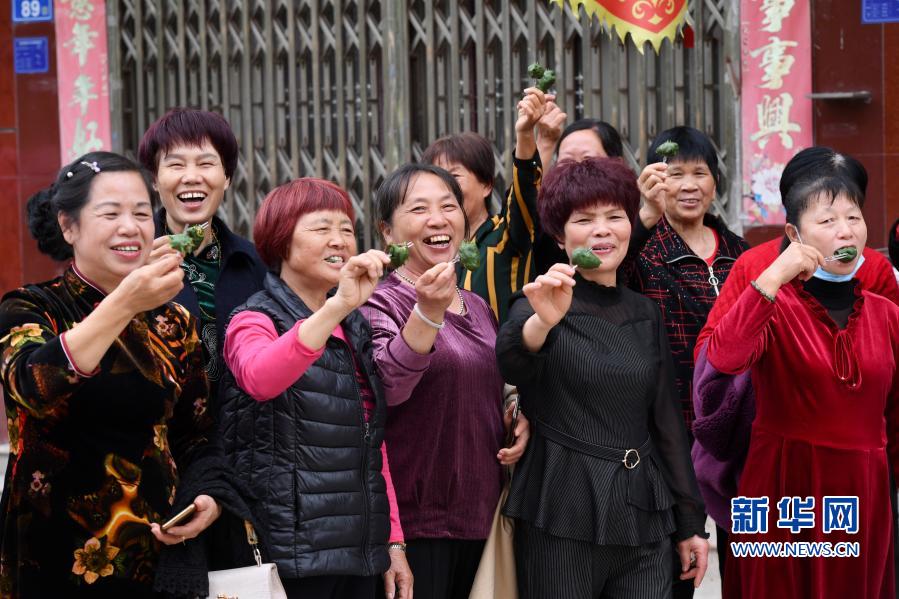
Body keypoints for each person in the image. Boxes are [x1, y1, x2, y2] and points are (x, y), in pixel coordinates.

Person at [0, 152, 258, 598]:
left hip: (157, 562)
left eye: (141, 213)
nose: (130, 227)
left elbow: (196, 436)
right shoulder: (30, 307)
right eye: (110, 213)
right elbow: (33, 386)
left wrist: (209, 498)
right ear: (68, 226)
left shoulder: (174, 322)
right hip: (52, 560)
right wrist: (125, 302)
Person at [496, 157, 709, 598]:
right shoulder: (537, 302)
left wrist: (690, 521)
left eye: (614, 216)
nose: (602, 230)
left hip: (643, 507)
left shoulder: (644, 311)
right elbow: (513, 359)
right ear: (559, 236)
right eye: (584, 220)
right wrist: (544, 321)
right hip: (561, 504)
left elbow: (666, 422)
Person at [691, 149, 899, 572]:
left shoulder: (886, 311)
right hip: (784, 485)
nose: (845, 231)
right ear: (794, 230)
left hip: (863, 488)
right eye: (827, 220)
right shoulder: (767, 288)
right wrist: (771, 279)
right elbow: (719, 359)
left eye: (854, 216)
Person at [219, 178, 412, 599]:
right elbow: (259, 378)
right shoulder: (253, 318)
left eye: (346, 229)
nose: (339, 240)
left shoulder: (354, 325)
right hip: (290, 557)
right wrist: (337, 306)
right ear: (281, 240)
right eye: (322, 228)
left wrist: (393, 541)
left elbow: (371, 441)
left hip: (360, 554)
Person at [360, 164, 529, 599]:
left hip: (481, 515)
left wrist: (516, 413)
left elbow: (492, 386)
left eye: (448, 206)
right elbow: (388, 387)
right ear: (388, 232)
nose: (438, 220)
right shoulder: (379, 303)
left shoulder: (477, 305)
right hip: (416, 523)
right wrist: (426, 314)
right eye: (419, 209)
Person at [138, 108, 267, 412]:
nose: (191, 177)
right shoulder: (129, 263)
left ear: (227, 178)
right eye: (176, 164)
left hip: (241, 434)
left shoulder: (255, 264)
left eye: (206, 163)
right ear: (155, 179)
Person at [630, 126, 749, 441]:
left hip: (735, 412)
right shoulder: (641, 250)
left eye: (699, 173)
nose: (689, 186)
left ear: (716, 182)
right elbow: (609, 281)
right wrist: (644, 218)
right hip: (667, 418)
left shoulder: (740, 252)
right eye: (675, 174)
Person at [420, 88, 563, 323]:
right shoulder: (428, 248)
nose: (445, 189)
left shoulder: (505, 235)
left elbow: (524, 189)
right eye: (436, 178)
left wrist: (528, 134)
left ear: (487, 184)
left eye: (454, 176)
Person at [532, 118, 626, 273]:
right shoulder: (547, 220)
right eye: (566, 162)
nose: (577, 171)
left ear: (617, 164)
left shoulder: (635, 214)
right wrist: (545, 144)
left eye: (588, 160)